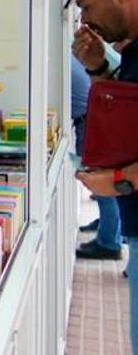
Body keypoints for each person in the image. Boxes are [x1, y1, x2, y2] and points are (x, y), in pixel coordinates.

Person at [68, 0, 138, 352]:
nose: (84, 21)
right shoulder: (130, 51)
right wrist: (97, 68)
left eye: (87, 6)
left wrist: (119, 180)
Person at [72, 56, 123, 259]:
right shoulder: (71, 56)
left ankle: (109, 242)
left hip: (90, 121)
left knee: (99, 181)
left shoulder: (58, 59)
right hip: (92, 118)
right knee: (102, 180)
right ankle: (108, 229)